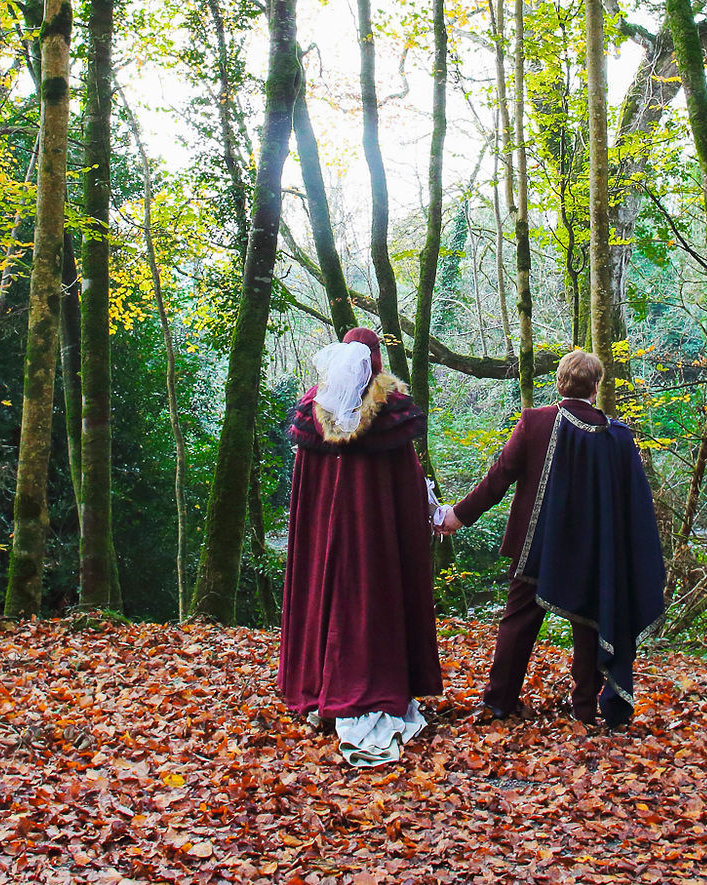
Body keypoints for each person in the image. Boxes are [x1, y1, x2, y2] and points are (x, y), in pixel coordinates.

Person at [440, 348, 665, 729]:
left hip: (537, 550)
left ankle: (499, 704)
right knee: (591, 623)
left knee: (518, 623)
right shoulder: (617, 437)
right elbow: (634, 506)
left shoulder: (535, 422)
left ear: (559, 382)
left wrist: (458, 516)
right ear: (596, 387)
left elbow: (499, 477)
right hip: (595, 554)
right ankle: (584, 709)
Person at [277, 327, 444, 766]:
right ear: (376, 358)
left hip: (328, 539)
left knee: (329, 596)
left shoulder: (316, 406)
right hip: (375, 541)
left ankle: (323, 687)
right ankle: (370, 690)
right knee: (373, 602)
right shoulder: (389, 411)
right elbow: (406, 485)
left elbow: (306, 489)